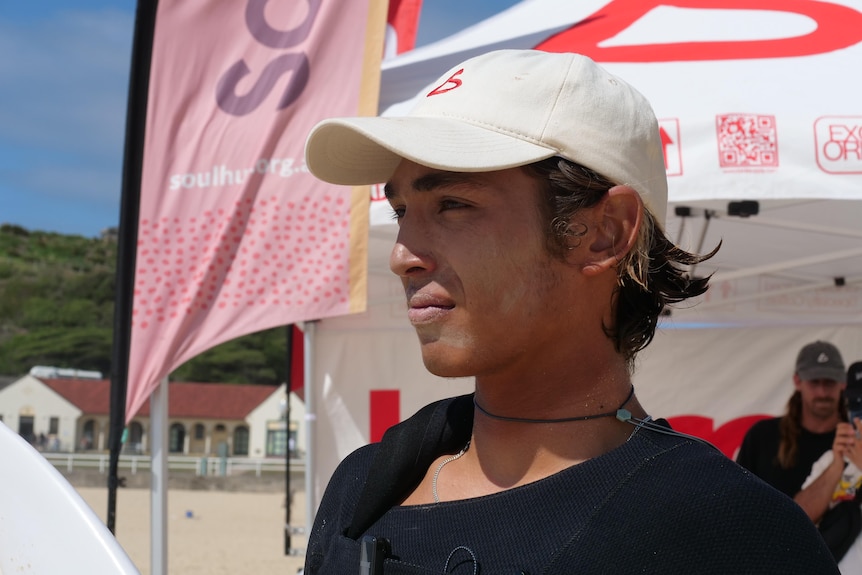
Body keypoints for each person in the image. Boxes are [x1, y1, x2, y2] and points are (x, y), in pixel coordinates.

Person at [303, 50, 838, 573]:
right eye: (400, 211)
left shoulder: (736, 535)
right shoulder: (363, 486)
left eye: (453, 204)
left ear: (602, 232)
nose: (401, 255)